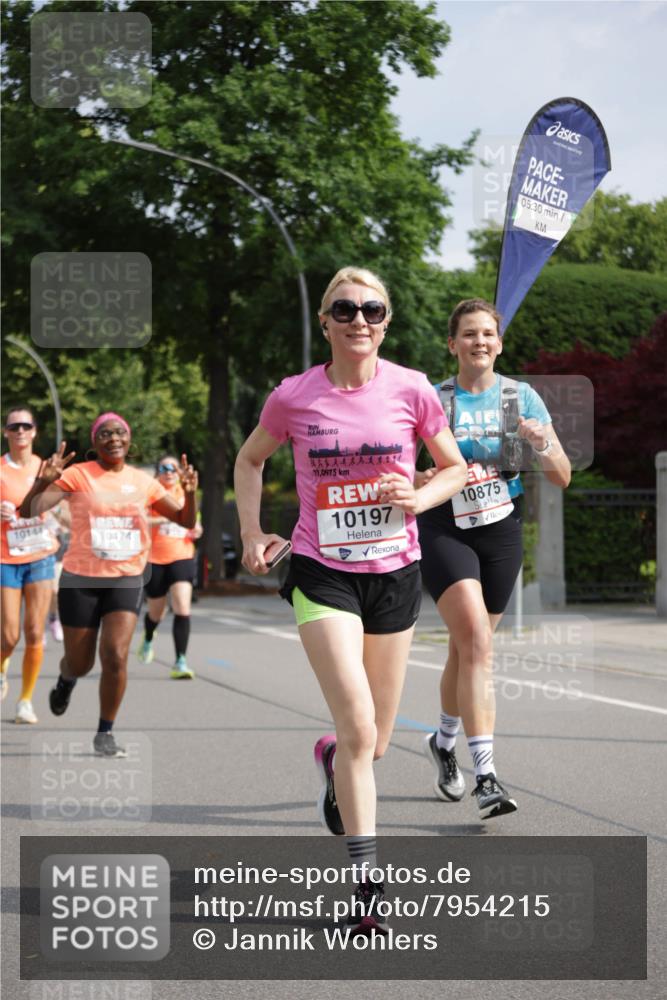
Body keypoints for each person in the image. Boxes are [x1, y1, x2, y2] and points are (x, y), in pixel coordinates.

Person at [234, 266, 466, 926]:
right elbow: (250, 460)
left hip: (395, 574)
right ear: (326, 321)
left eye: (371, 309)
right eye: (345, 309)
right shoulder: (294, 396)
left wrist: (418, 496)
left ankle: (334, 760)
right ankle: (366, 889)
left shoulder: (412, 389)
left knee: (375, 741)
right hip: (321, 571)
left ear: (385, 320)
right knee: (359, 724)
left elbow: (453, 468)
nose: (358, 319)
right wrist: (251, 532)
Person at [417, 299, 571, 818]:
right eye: (468, 334)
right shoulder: (432, 400)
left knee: (468, 651)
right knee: (477, 642)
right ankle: (486, 776)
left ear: (499, 343)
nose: (479, 341)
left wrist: (543, 442)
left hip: (501, 527)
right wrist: (422, 480)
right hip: (443, 528)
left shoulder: (520, 397)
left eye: (488, 333)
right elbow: (403, 468)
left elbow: (562, 475)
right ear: (452, 344)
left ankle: (442, 742)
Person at [19, 413, 198, 757]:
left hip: (127, 577)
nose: (113, 437)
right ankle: (66, 680)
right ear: (94, 442)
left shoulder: (143, 481)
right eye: (104, 433)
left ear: (128, 441)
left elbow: (185, 519)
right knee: (81, 662)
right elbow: (30, 509)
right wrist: (43, 482)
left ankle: (105, 732)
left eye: (119, 432)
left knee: (115, 654)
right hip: (80, 580)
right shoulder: (77, 474)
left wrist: (189, 495)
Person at [0, 406, 58, 723]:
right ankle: (2, 665)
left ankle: (25, 701)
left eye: (25, 426)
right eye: (14, 427)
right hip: (6, 558)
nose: (20, 431)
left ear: (34, 431)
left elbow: (60, 502)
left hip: (40, 556)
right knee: (9, 636)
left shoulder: (45, 467)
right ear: (6, 433)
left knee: (35, 631)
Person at [137, 454, 202, 678]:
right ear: (158, 472)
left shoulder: (186, 493)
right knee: (157, 611)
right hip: (154, 559)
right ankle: (148, 637)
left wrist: (196, 529)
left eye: (173, 469)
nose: (169, 472)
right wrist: (170, 518)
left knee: (183, 607)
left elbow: (195, 522)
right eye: (164, 468)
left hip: (182, 555)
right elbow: (141, 519)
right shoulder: (152, 493)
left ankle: (180, 661)